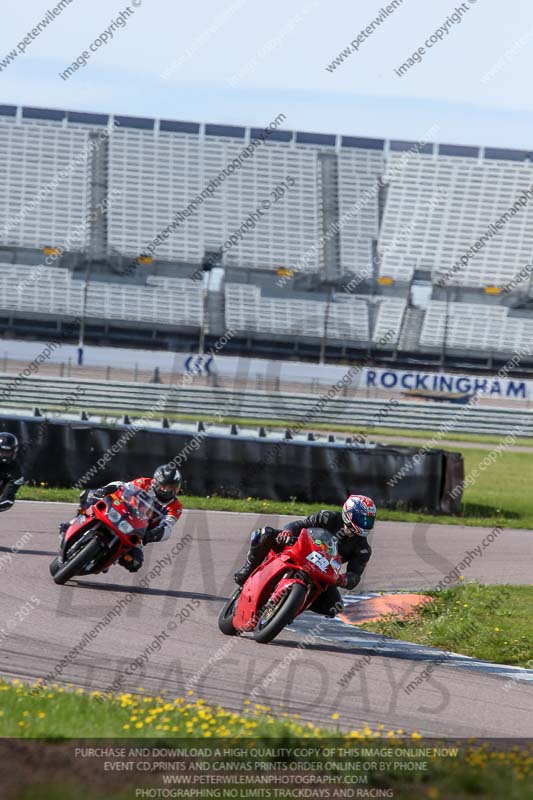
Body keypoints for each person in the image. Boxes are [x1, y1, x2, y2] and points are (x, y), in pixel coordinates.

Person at [234, 494, 376, 617]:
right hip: (300, 548)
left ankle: (293, 607)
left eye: (368, 521)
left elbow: (355, 575)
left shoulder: (363, 549)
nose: (365, 524)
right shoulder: (328, 517)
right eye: (362, 519)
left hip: (322, 571)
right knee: (264, 534)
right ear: (349, 513)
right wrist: (288, 532)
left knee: (335, 607)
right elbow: (301, 524)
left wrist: (343, 579)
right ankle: (248, 569)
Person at [58, 464, 183, 572]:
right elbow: (123, 486)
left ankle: (110, 557)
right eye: (166, 486)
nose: (169, 490)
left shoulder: (175, 506)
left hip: (138, 532)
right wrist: (105, 490)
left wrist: (151, 535)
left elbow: (168, 527)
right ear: (157, 482)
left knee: (134, 563)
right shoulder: (145, 483)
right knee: (88, 496)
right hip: (124, 512)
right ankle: (72, 524)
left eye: (173, 487)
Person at [0, 432, 24, 513]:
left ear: (14, 451)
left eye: (7, 452)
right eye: (2, 452)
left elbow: (8, 500)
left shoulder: (16, 472)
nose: (4, 455)